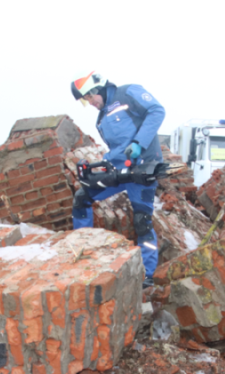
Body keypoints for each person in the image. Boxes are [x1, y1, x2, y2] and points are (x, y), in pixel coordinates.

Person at [70, 71, 165, 287]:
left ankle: (147, 275)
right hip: (118, 171)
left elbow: (156, 111)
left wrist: (140, 142)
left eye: (90, 96)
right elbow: (116, 148)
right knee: (82, 197)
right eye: (86, 100)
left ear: (98, 88)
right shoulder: (101, 119)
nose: (90, 102)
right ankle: (80, 252)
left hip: (142, 169)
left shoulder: (128, 92)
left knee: (142, 222)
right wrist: (99, 167)